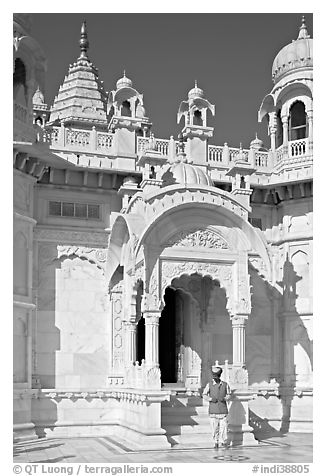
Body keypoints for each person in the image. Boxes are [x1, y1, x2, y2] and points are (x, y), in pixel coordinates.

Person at [202, 365, 231, 449]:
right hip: (213, 409)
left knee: (224, 427)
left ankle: (223, 441)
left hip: (222, 409)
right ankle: (216, 441)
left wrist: (224, 398)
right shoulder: (209, 385)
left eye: (216, 376)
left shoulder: (225, 385)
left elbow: (229, 395)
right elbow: (204, 394)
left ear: (219, 376)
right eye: (214, 376)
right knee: (215, 427)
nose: (215, 377)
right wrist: (210, 399)